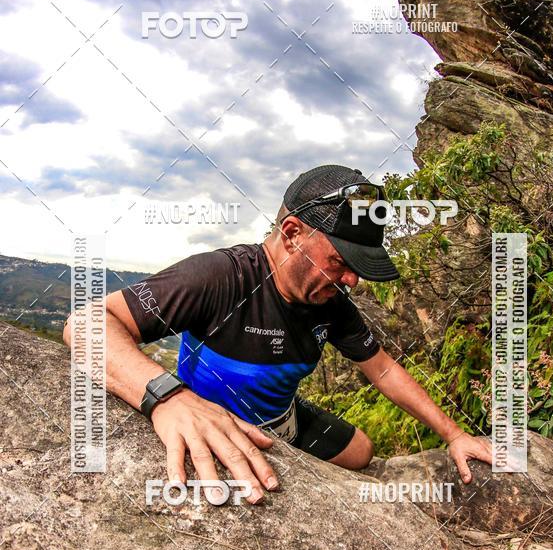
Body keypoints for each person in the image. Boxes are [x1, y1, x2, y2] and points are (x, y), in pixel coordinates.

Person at [64, 164, 492, 504]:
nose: (352, 281)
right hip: (212, 415)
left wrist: (454, 435)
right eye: (341, 260)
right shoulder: (218, 276)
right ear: (292, 235)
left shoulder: (331, 302)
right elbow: (85, 323)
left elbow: (382, 371)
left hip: (282, 419)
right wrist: (166, 398)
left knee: (362, 452)